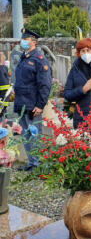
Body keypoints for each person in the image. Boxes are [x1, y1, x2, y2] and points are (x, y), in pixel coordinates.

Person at [14, 28, 52, 172]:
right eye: (22, 38)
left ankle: (38, 164)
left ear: (34, 42)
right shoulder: (25, 57)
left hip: (32, 104)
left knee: (34, 134)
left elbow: (45, 84)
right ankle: (31, 162)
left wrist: (40, 104)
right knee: (25, 135)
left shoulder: (39, 59)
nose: (22, 41)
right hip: (21, 103)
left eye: (26, 39)